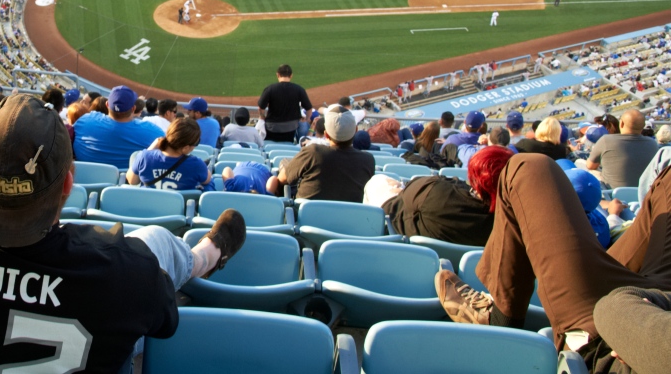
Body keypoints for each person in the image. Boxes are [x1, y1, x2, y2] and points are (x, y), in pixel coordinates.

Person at [0, 94, 247, 373]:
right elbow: (164, 323)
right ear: (68, 186)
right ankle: (206, 256)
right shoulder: (129, 275)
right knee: (155, 241)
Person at [434, 152, 671, 372]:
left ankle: (500, 320)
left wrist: (645, 304)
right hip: (651, 311)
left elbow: (614, 310)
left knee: (527, 168)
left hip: (615, 337)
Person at [376, 146, 511, 245]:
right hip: (471, 277)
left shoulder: (436, 193)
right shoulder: (511, 224)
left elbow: (409, 191)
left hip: (406, 238)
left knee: (377, 180)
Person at [266, 105, 375, 201]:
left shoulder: (313, 152)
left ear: (326, 135)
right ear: (355, 130)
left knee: (284, 164)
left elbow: (281, 180)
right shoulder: (368, 160)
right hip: (350, 222)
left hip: (306, 221)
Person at [73, 86, 163, 169]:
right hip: (126, 185)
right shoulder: (154, 132)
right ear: (133, 108)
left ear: (107, 105)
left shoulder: (85, 121)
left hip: (82, 182)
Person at [126, 118, 210, 190]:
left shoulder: (144, 157)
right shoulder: (196, 164)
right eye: (196, 143)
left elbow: (132, 181)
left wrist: (149, 150)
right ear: (186, 147)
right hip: (178, 209)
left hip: (145, 208)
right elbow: (208, 180)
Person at [587, 109, 659, 189]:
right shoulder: (653, 144)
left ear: (621, 124)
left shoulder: (605, 141)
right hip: (644, 195)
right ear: (642, 126)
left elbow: (590, 166)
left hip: (613, 196)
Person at [257, 64, 312, 143]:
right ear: (291, 75)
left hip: (272, 127)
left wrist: (262, 116)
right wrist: (307, 119)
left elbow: (260, 107)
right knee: (300, 129)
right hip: (291, 127)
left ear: (278, 74)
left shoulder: (270, 89)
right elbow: (309, 108)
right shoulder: (299, 89)